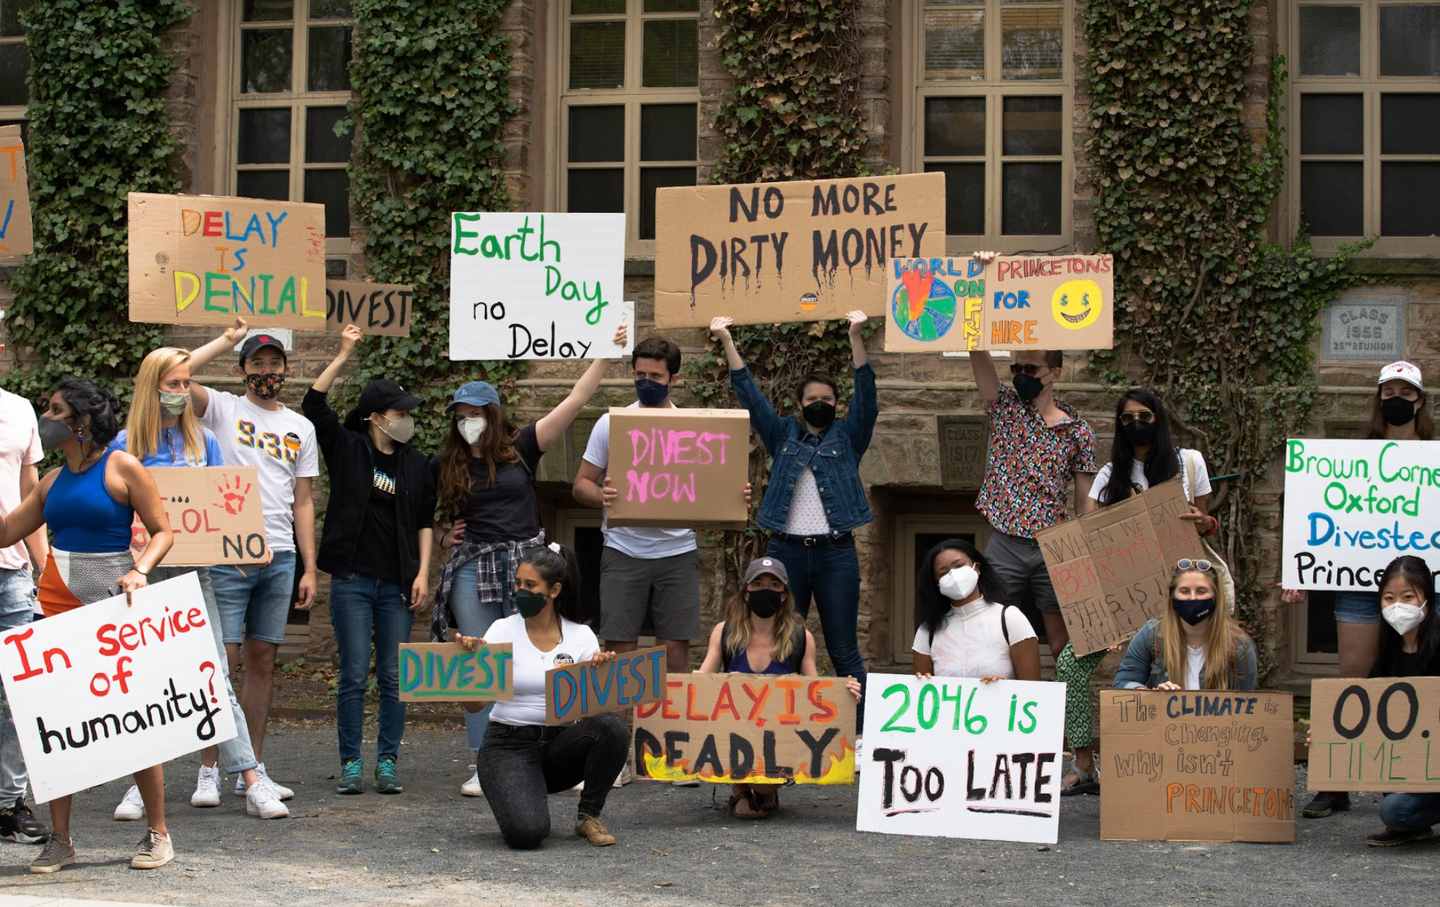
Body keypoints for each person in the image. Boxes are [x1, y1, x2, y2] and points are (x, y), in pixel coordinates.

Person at [434, 323, 625, 797]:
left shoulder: (522, 446)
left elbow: (575, 399)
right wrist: (445, 534)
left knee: (543, 650)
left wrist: (606, 352)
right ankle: (487, 762)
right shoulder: (450, 462)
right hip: (473, 566)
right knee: (479, 657)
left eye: (476, 413)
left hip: (525, 565)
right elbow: (436, 519)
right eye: (460, 415)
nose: (467, 422)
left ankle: (566, 754)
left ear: (493, 415)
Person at [0, 379, 175, 872]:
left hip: (113, 603)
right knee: (56, 723)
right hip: (56, 604)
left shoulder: (122, 467)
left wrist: (140, 570)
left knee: (135, 718)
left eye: (55, 410)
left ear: (79, 419)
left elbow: (163, 531)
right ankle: (60, 839)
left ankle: (158, 834)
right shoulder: (52, 480)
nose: (46, 416)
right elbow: (8, 531)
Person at [108, 347, 288, 821]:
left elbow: (221, 511)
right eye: (174, 384)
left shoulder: (202, 443)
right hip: (141, 576)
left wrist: (248, 545)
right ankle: (141, 785)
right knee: (148, 680)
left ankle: (250, 779)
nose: (182, 393)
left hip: (196, 573)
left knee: (214, 674)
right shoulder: (126, 445)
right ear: (152, 387)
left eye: (187, 383)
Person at [572, 334, 749, 788]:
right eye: (639, 375)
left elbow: (715, 487)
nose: (646, 382)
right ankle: (615, 755)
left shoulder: (691, 424)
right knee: (619, 649)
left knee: (676, 649)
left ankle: (671, 750)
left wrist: (733, 496)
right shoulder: (613, 425)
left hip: (676, 553)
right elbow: (582, 485)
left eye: (655, 375)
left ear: (673, 377)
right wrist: (603, 496)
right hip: (624, 550)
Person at [1284, 360, 1434, 819]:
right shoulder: (1350, 458)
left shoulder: (1436, 456)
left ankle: (1421, 773)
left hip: (1423, 587)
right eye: (1389, 390)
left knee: (1427, 680)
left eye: (1406, 392)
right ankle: (1335, 782)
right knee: (1351, 679)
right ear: (1378, 397)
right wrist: (1297, 571)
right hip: (1360, 583)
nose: (1397, 399)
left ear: (1420, 401)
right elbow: (1311, 517)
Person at [709, 311, 876, 718]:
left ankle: (865, 732)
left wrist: (855, 336)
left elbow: (867, 399)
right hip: (786, 554)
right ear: (800, 406)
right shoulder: (782, 434)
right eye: (811, 400)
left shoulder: (848, 437)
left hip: (836, 553)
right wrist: (726, 340)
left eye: (827, 400)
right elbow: (750, 395)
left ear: (836, 405)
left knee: (842, 647)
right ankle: (783, 723)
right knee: (784, 638)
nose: (819, 405)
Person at [1057, 388, 1216, 796]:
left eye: (1143, 415)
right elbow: (1086, 537)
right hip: (1123, 596)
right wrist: (1107, 620)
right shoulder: (1111, 473)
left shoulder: (1189, 463)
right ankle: (1083, 763)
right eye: (1126, 419)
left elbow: (1207, 522)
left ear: (1159, 419)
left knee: (1186, 667)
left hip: (1185, 595)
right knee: (1070, 664)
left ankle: (1192, 763)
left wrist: (1203, 522)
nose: (1135, 424)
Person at [185, 318, 319, 803]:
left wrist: (309, 566)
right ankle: (209, 768)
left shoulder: (299, 426)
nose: (267, 370)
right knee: (221, 661)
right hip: (226, 549)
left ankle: (254, 769)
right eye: (257, 362)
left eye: (274, 362)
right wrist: (223, 337)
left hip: (280, 554)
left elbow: (303, 499)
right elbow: (173, 376)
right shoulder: (221, 408)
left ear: (287, 369)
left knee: (262, 660)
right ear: (242, 369)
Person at [304, 325, 436, 795]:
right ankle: (351, 763)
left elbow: (425, 520)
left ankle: (387, 761)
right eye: (400, 413)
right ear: (377, 417)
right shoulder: (348, 448)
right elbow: (314, 406)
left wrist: (422, 572)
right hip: (353, 582)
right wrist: (342, 354)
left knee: (396, 678)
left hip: (396, 584)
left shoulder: (417, 464)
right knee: (355, 674)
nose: (407, 420)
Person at [457, 543, 629, 849]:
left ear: (554, 590)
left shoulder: (581, 636)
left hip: (559, 745)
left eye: (530, 585)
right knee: (528, 834)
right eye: (518, 584)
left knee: (612, 726)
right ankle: (516, 790)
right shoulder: (500, 630)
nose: (520, 591)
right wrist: (470, 663)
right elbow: (474, 706)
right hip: (507, 746)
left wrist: (602, 675)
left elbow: (597, 711)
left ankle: (588, 815)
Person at [967, 259, 1097, 660]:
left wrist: (1085, 547)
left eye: (1032, 367)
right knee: (991, 632)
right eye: (1016, 366)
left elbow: (1085, 496)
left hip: (1053, 544)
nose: (1021, 373)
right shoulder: (1005, 406)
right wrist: (978, 281)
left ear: (1054, 371)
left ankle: (1065, 719)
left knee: (1062, 641)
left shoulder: (1078, 430)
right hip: (1004, 539)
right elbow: (977, 352)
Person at [698, 556, 862, 819]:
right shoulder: (724, 632)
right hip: (735, 728)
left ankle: (765, 789)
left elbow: (815, 688)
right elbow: (701, 681)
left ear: (784, 595)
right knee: (747, 805)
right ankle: (739, 789)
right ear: (746, 591)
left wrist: (842, 692)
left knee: (763, 786)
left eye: (775, 585)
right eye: (758, 583)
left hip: (778, 735)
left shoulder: (800, 637)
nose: (766, 590)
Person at [0, 383, 50, 845]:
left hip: (11, 574)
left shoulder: (18, 410)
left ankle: (7, 802)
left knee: (16, 694)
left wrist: (44, 565)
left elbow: (28, 490)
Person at [1363, 556, 1440, 846]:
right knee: (1394, 808)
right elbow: (1368, 707)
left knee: (1396, 809)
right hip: (1414, 764)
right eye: (1389, 598)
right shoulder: (1389, 650)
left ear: (1426, 598)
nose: (1398, 606)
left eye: (1408, 597)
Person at [1114, 558, 1257, 691]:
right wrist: (1149, 695)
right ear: (1172, 597)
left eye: (1201, 591)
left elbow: (1247, 703)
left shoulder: (1239, 645)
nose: (1193, 598)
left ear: (1216, 597)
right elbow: (1124, 682)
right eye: (1184, 591)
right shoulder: (1151, 636)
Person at [912, 538, 1041, 682]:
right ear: (936, 584)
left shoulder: (1010, 618)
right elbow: (922, 695)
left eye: (959, 565)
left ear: (977, 568)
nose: (953, 575)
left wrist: (1003, 689)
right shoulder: (927, 631)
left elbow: (1032, 690)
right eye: (943, 573)